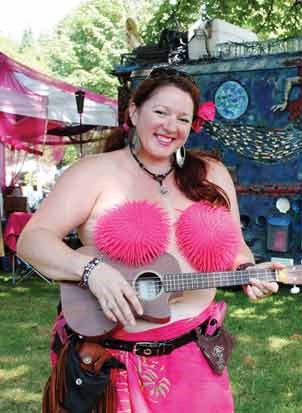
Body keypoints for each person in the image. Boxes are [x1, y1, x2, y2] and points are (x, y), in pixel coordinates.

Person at [16, 67, 280, 413]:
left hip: (198, 362)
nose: (171, 126)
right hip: (114, 367)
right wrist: (90, 269)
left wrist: (246, 268)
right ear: (134, 112)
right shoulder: (93, 172)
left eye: (183, 118)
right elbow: (32, 240)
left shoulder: (212, 175)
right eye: (161, 112)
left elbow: (236, 247)